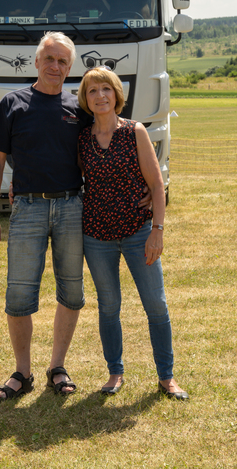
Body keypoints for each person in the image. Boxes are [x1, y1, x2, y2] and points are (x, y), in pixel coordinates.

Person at [0, 32, 92, 400]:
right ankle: (22, 372)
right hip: (27, 209)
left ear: (70, 66)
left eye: (63, 61)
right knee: (18, 295)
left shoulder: (79, 107)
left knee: (72, 291)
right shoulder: (13, 102)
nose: (55, 66)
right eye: (49, 58)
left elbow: (100, 151)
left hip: (70, 207)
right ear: (36, 61)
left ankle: (57, 367)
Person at [77, 66, 189, 400]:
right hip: (96, 236)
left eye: (106, 89)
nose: (100, 96)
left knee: (156, 304)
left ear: (117, 95)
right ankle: (115, 372)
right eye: (93, 91)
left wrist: (157, 229)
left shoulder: (135, 131)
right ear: (85, 99)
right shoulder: (82, 139)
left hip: (139, 232)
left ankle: (167, 378)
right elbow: (66, 176)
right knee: (109, 306)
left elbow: (157, 185)